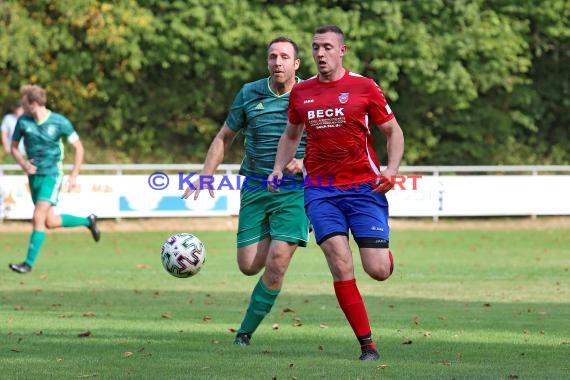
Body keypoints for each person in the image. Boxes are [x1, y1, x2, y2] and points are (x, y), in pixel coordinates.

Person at [268, 25, 405, 361]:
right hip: (321, 190)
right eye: (315, 47)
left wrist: (391, 169)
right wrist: (277, 167)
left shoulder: (364, 87)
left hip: (363, 188)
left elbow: (393, 132)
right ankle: (367, 344)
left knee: (377, 270)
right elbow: (290, 135)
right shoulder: (302, 93)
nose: (320, 53)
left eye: (327, 47)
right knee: (340, 261)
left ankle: (383, 255)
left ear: (342, 51)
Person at [181, 37, 309, 346]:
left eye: (284, 57)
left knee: (278, 261)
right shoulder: (249, 93)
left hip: (295, 190)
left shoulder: (310, 94)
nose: (277, 62)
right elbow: (224, 136)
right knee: (249, 265)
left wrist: (305, 162)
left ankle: (245, 332)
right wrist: (206, 175)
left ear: (296, 64)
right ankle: (270, 248)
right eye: (272, 57)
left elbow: (330, 140)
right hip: (254, 186)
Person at [8, 84, 101, 274]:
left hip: (52, 174)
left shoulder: (60, 122)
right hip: (34, 177)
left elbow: (79, 148)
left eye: (24, 103)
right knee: (49, 221)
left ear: (33, 104)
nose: (22, 106)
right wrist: (24, 164)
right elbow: (14, 148)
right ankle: (88, 221)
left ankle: (28, 263)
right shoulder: (23, 121)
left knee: (38, 215)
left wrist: (74, 175)